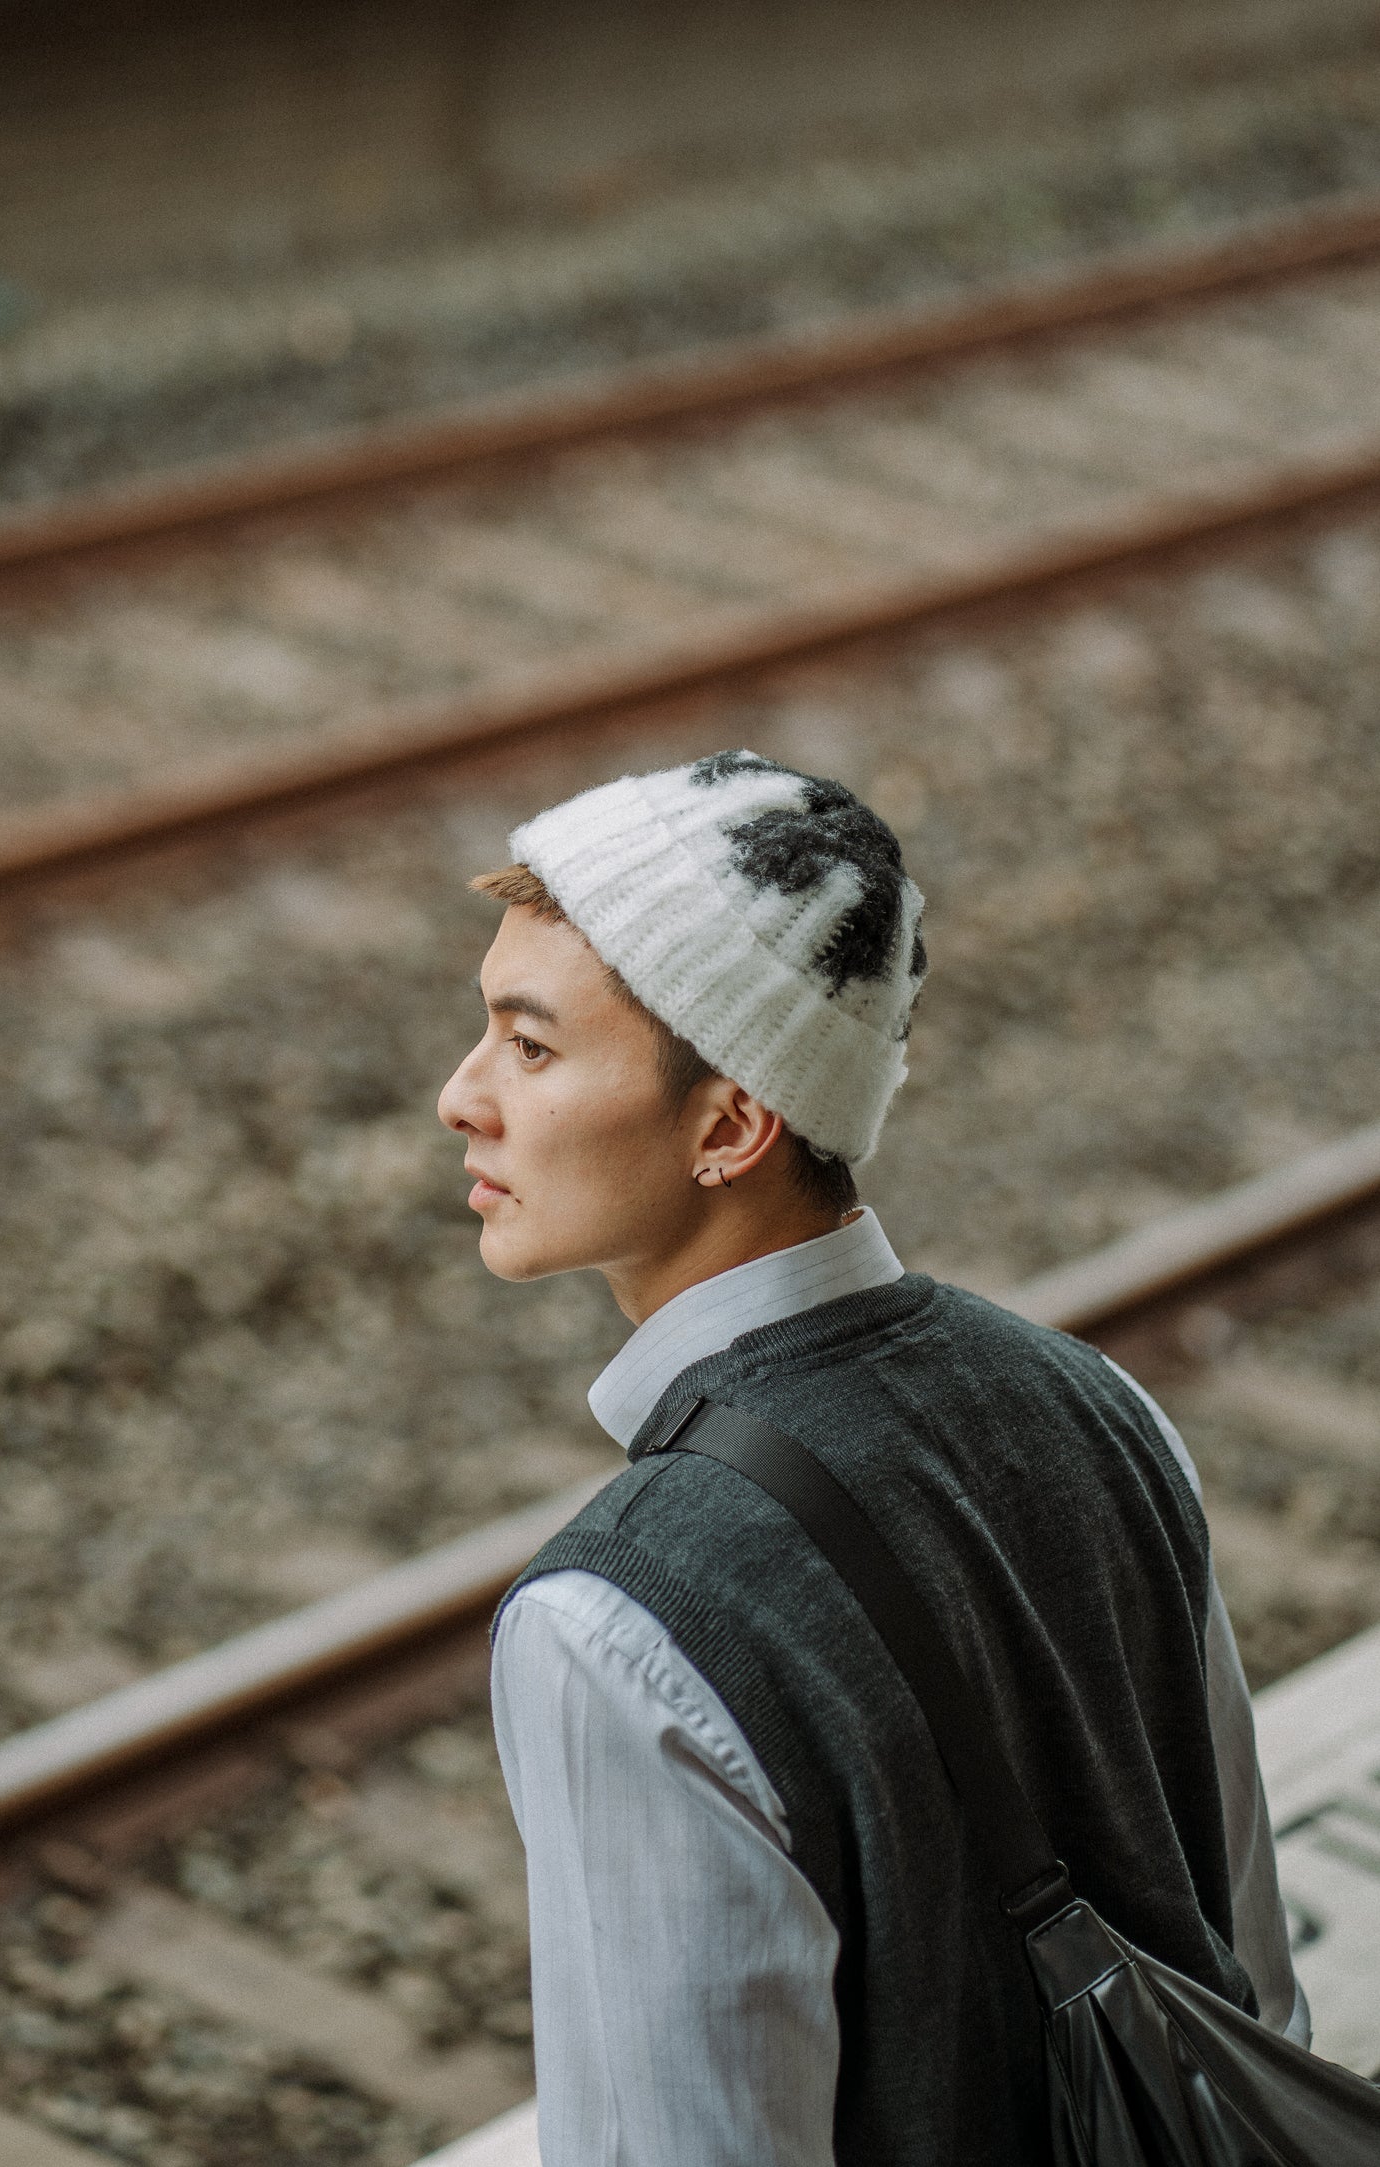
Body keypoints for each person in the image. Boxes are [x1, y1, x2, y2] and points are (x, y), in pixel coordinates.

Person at [436, 749, 1303, 2166]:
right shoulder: (1097, 1406)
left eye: (529, 1048)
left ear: (729, 1124)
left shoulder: (613, 1629)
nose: (459, 1097)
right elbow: (1251, 1982)